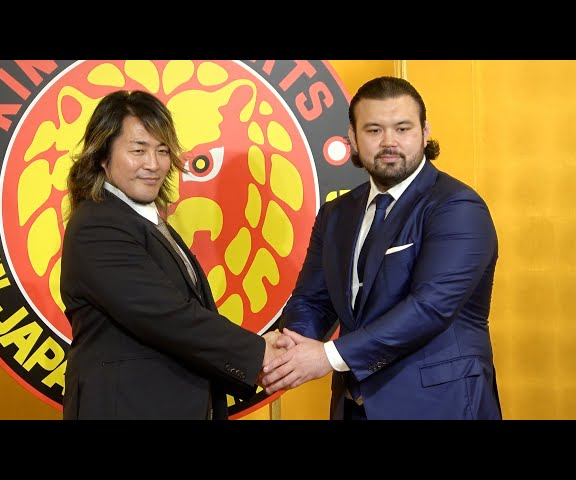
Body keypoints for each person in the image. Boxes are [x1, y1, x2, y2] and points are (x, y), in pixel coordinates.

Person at [259, 76, 501, 420]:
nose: (389, 142)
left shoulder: (457, 207)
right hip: (353, 407)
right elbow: (312, 299)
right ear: (353, 138)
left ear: (425, 132)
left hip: (439, 405)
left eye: (402, 128)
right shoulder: (336, 213)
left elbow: (430, 308)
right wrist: (290, 346)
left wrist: (328, 356)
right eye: (374, 130)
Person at [60, 89, 284, 420]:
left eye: (162, 150)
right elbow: (167, 316)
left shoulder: (144, 220)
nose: (153, 164)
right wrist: (258, 352)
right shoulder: (98, 226)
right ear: (102, 157)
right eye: (138, 150)